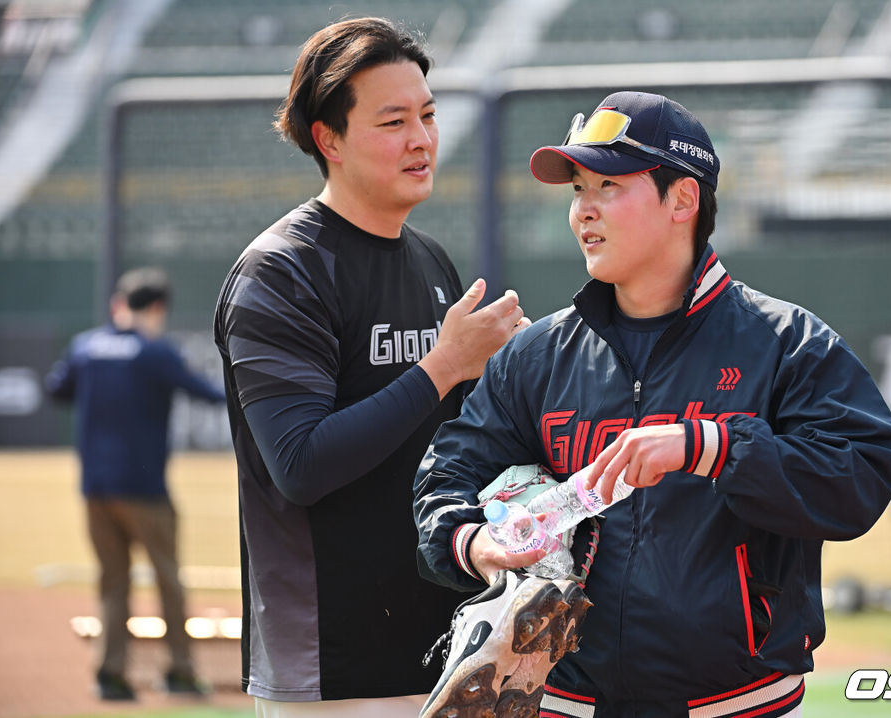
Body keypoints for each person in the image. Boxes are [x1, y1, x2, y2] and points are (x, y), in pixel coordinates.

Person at [414, 91, 891, 718]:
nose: (583, 212)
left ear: (683, 199)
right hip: (566, 704)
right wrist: (474, 543)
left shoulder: (787, 343)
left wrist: (710, 448)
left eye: (608, 186)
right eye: (576, 190)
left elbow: (859, 480)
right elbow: (447, 477)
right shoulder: (535, 354)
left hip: (741, 705)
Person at [212, 16, 529, 717]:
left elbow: (455, 447)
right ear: (329, 139)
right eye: (393, 121)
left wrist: (510, 380)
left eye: (428, 115)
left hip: (446, 648)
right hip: (332, 673)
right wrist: (443, 366)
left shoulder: (430, 261)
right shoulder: (283, 272)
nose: (421, 139)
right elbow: (300, 465)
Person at [45, 266, 225, 701]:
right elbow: (207, 393)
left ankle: (110, 676)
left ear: (119, 303)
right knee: (168, 579)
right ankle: (179, 672)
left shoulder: (86, 346)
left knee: (112, 581)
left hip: (95, 489)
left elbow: (56, 389)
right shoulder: (155, 353)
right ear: (158, 308)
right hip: (144, 491)